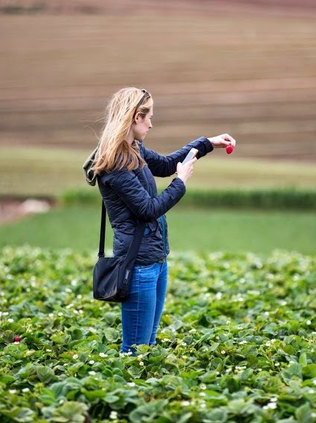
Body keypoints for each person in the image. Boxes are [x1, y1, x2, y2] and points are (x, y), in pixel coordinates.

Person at [90, 87, 236, 354]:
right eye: (148, 117)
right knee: (135, 349)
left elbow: (168, 164)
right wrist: (180, 183)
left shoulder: (134, 149)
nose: (151, 123)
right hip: (138, 266)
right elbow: (148, 209)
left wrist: (207, 144)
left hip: (156, 258)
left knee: (149, 344)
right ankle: (127, 393)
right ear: (135, 117)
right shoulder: (115, 163)